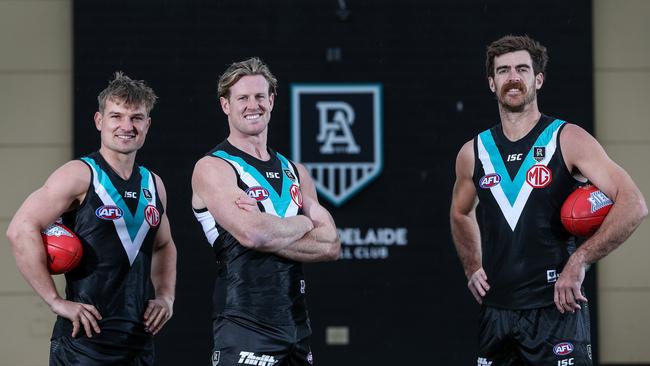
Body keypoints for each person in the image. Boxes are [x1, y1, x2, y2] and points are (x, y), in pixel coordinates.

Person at [450, 35, 647, 366]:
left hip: (557, 310)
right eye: (503, 71)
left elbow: (634, 204)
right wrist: (472, 265)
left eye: (522, 69)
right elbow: (460, 212)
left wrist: (580, 261)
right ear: (491, 82)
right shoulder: (474, 152)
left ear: (538, 79)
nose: (513, 77)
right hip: (497, 312)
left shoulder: (568, 139)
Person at [7, 72, 177, 365]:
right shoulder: (79, 174)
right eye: (116, 116)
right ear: (99, 121)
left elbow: (164, 246)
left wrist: (165, 297)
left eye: (136, 117)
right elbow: (20, 229)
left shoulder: (154, 184)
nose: (127, 126)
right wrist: (55, 301)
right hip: (83, 345)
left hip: (137, 342)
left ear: (147, 125)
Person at [191, 57, 340, 366]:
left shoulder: (295, 171)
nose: (252, 105)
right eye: (242, 98)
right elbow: (253, 234)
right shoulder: (214, 167)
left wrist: (269, 226)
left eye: (260, 96)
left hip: (297, 328)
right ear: (225, 106)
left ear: (271, 101)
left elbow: (331, 244)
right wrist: (302, 221)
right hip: (244, 327)